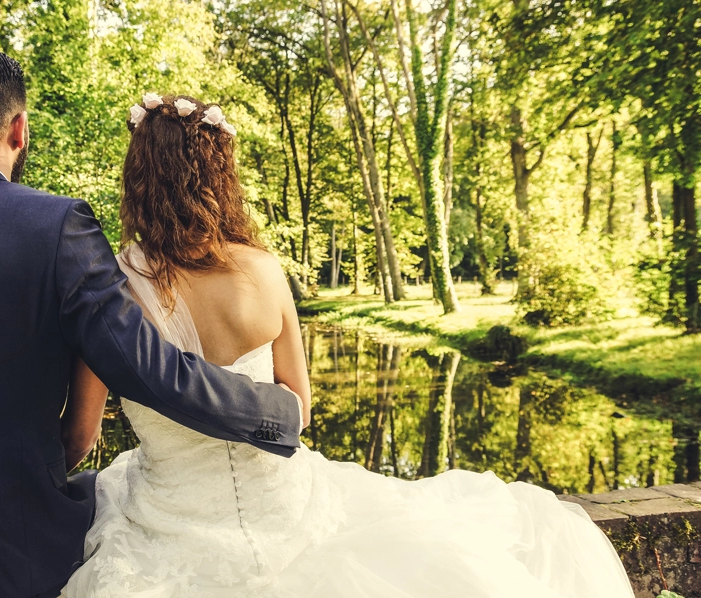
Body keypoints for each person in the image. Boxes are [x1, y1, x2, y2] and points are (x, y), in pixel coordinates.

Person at [60, 95, 636, 598]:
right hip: (286, 511)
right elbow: (300, 411)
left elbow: (82, 438)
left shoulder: (113, 294)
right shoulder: (264, 271)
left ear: (138, 180)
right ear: (218, 176)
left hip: (167, 527)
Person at [0, 48, 303, 598]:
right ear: (19, 128)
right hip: (5, 552)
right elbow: (143, 366)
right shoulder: (56, 227)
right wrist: (275, 411)